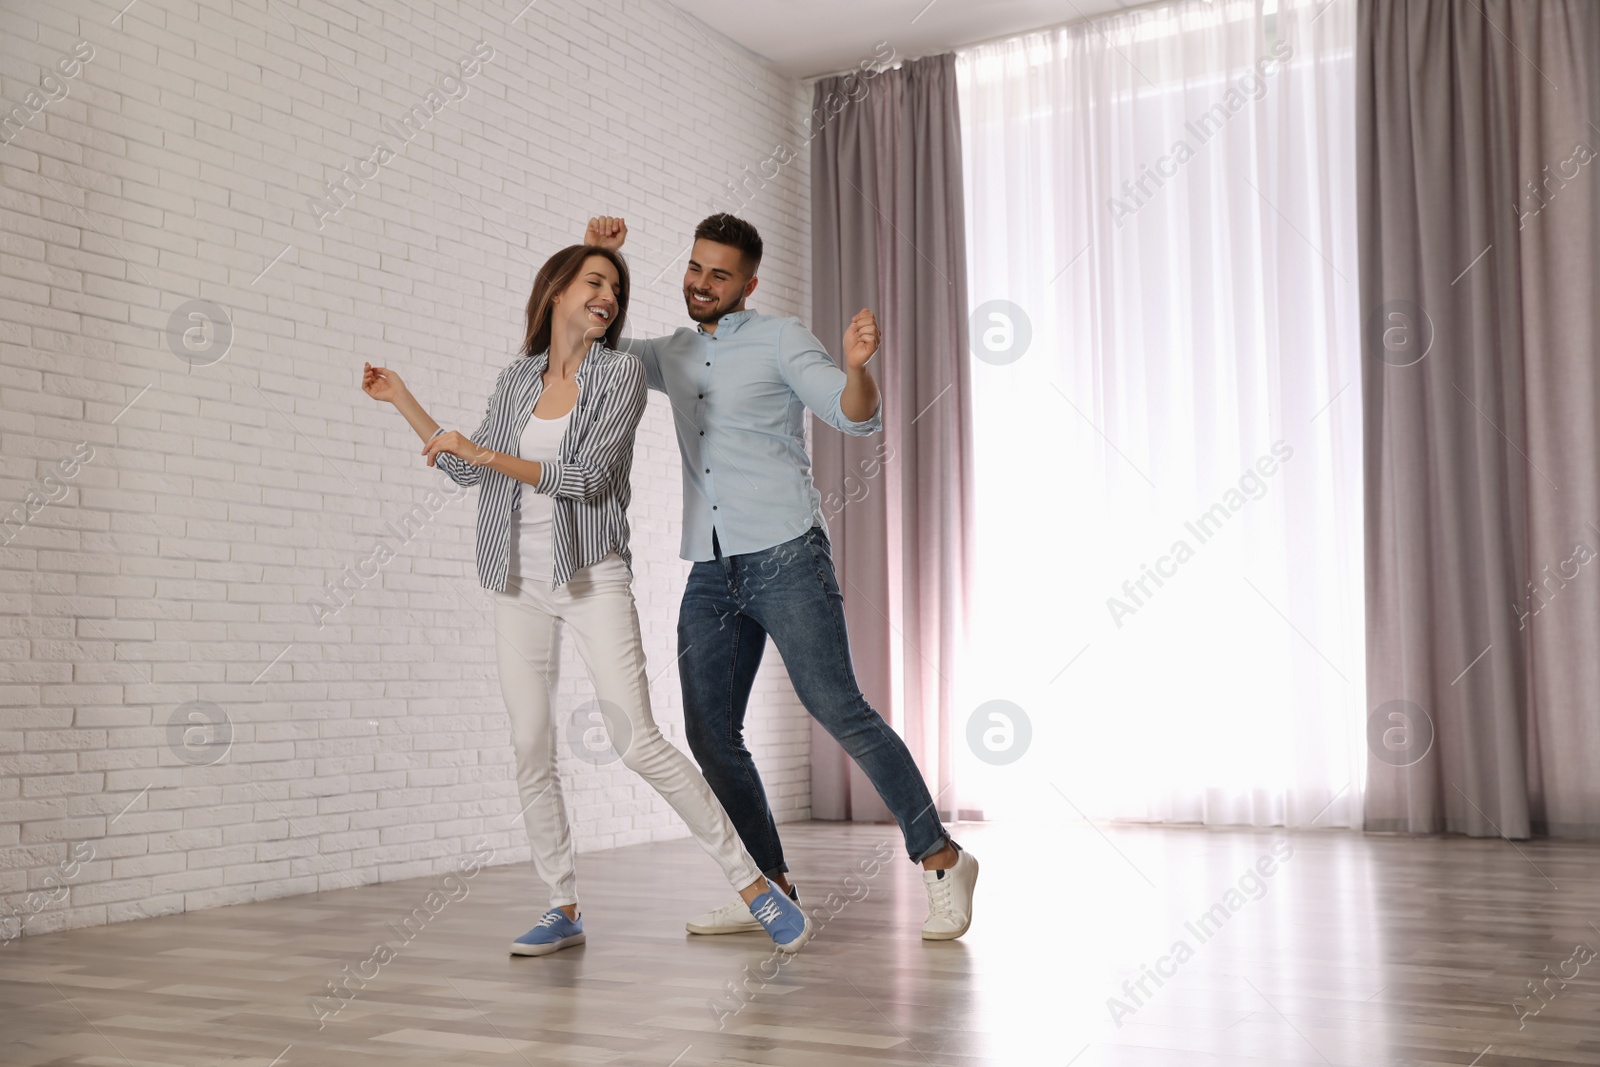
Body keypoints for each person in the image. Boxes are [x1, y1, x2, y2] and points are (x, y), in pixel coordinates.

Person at [359, 241, 812, 956]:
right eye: (594, 281)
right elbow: (469, 469)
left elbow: (588, 478)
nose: (607, 295)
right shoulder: (516, 380)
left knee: (638, 741)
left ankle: (755, 884)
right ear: (557, 290)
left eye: (615, 287)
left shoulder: (620, 374)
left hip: (591, 574)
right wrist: (404, 402)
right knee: (530, 744)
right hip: (517, 580)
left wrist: (484, 454)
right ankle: (561, 903)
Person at [584, 213, 979, 940]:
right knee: (710, 734)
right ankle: (769, 887)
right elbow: (593, 343)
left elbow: (852, 415)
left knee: (841, 710)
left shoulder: (781, 337)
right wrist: (601, 258)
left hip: (785, 553)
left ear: (749, 284)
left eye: (720, 275)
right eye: (697, 268)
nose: (702, 284)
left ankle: (943, 856)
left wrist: (858, 367)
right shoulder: (669, 352)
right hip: (709, 566)